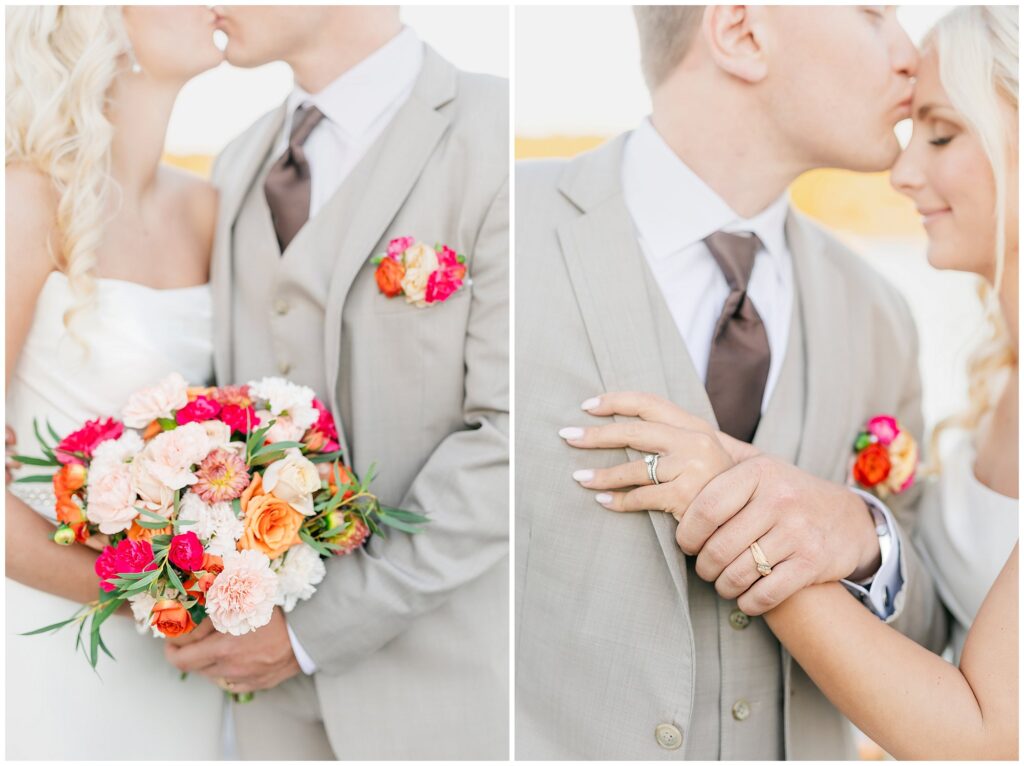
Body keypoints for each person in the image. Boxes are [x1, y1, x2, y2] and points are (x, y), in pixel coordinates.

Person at [515, 6, 946, 759]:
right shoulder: (501, 232)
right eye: (876, 13)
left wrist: (864, 535)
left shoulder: (881, 315)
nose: (910, 55)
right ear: (742, 34)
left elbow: (930, 628)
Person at [161, 7, 510, 760]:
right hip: (262, 718)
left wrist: (315, 633)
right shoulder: (238, 163)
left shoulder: (495, 136)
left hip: (447, 705)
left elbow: (513, 437)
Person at [5, 6, 225, 759]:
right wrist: (152, 600)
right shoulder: (25, 201)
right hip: (52, 636)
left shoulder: (209, 210)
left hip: (188, 659)